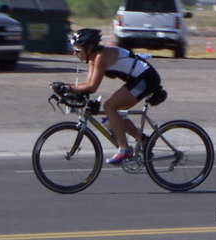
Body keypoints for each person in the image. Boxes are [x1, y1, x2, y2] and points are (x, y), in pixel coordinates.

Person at [67, 28, 164, 164]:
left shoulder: (101, 57)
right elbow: (87, 84)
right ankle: (144, 140)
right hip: (137, 79)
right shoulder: (93, 58)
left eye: (77, 50)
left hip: (146, 78)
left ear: (88, 48)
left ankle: (125, 149)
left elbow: (92, 87)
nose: (74, 53)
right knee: (111, 119)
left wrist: (68, 87)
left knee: (109, 107)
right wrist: (69, 89)